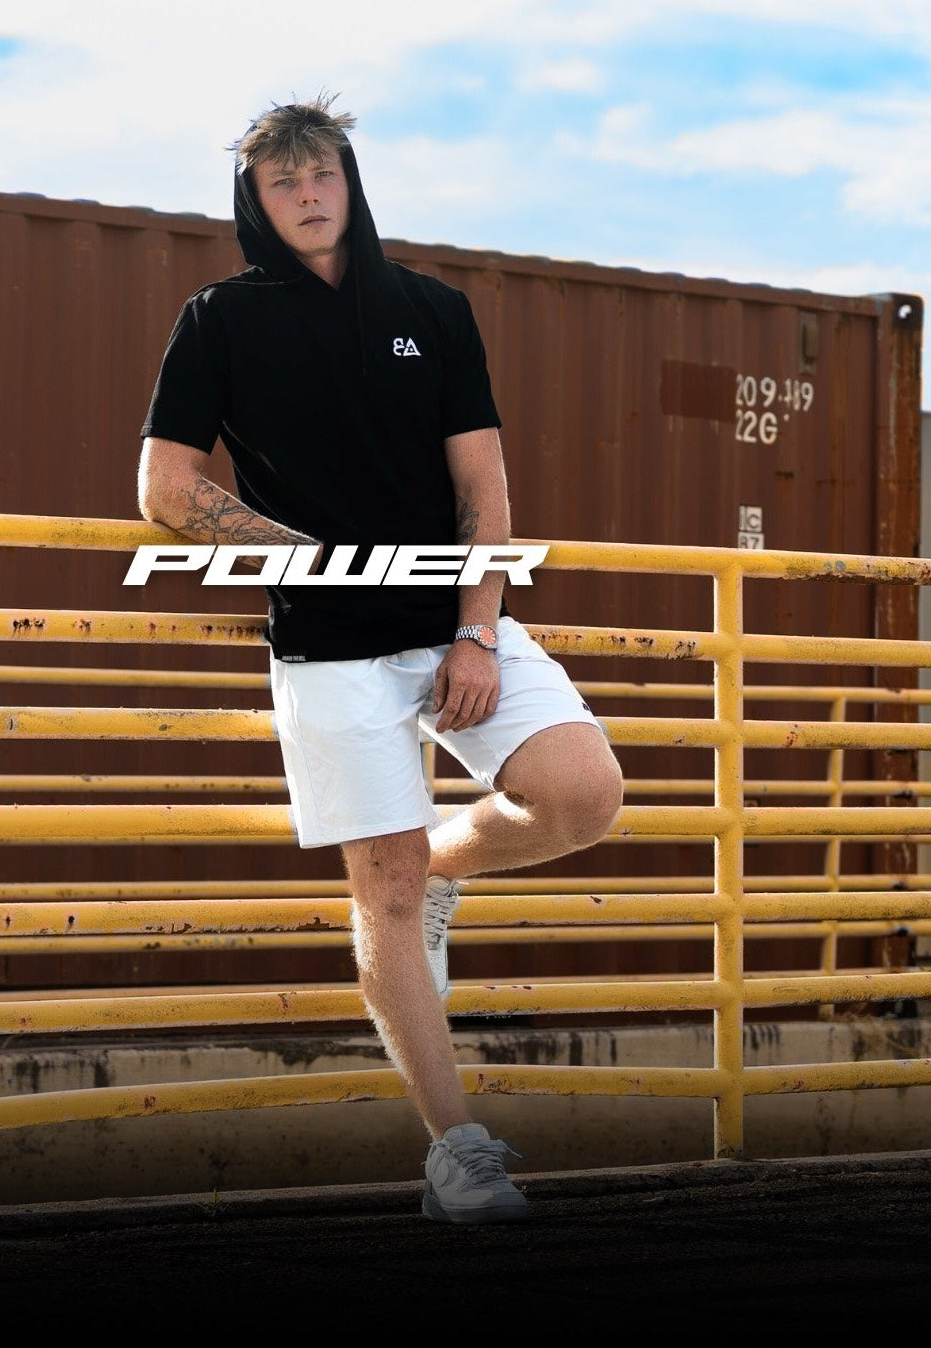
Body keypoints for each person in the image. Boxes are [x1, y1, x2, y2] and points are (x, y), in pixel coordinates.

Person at [138, 93, 623, 1223]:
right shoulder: (219, 318)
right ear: (255, 203)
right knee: (383, 889)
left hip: (452, 622)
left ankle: (455, 868)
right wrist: (311, 561)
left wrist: (476, 625)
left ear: (350, 184)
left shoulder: (432, 310)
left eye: (323, 177)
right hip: (326, 650)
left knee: (583, 793)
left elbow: (483, 489)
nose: (308, 198)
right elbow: (166, 488)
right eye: (283, 184)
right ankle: (457, 1148)